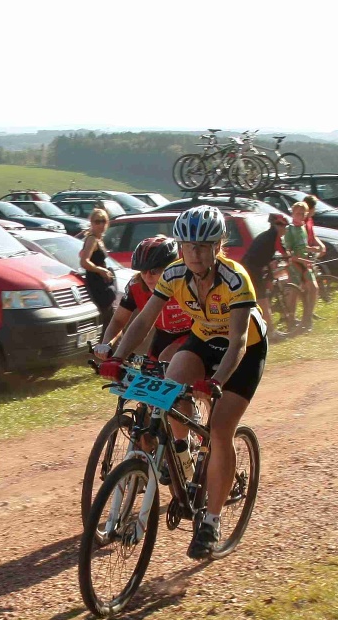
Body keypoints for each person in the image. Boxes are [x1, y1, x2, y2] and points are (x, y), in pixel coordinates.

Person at [99, 205, 267, 560]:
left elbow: (237, 341)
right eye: (188, 246)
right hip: (203, 340)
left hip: (243, 350)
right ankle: (183, 455)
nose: (195, 253)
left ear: (218, 246)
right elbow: (144, 319)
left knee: (220, 429)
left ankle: (212, 521)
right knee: (168, 391)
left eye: (203, 246)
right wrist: (117, 356)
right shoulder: (174, 273)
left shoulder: (235, 279)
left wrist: (217, 381)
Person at [94, 235, 191, 362]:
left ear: (172, 268)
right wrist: (106, 344)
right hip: (163, 336)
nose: (147, 277)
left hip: (193, 334)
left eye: (154, 271)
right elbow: (118, 320)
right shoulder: (136, 286)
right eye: (143, 271)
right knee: (150, 369)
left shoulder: (187, 282)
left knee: (166, 359)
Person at [239, 211, 291, 339]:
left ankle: (265, 330)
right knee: (262, 300)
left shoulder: (268, 236)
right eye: (284, 226)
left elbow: (266, 256)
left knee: (259, 299)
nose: (285, 229)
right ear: (277, 226)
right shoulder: (274, 237)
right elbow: (286, 255)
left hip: (251, 267)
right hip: (252, 270)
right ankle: (271, 333)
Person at [281, 202, 321, 332]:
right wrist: (302, 260)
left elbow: (303, 247)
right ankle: (291, 321)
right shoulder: (289, 229)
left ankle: (308, 318)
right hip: (294, 264)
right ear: (292, 214)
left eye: (303, 213)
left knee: (314, 288)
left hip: (304, 263)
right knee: (294, 293)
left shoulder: (303, 227)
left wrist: (313, 249)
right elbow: (288, 253)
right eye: (297, 213)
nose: (300, 216)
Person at [79, 208, 118, 332]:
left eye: (103, 221)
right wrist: (101, 270)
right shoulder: (92, 239)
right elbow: (84, 262)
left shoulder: (98, 239)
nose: (101, 225)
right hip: (97, 284)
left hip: (103, 282)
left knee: (110, 318)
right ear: (91, 223)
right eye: (97, 222)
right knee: (108, 320)